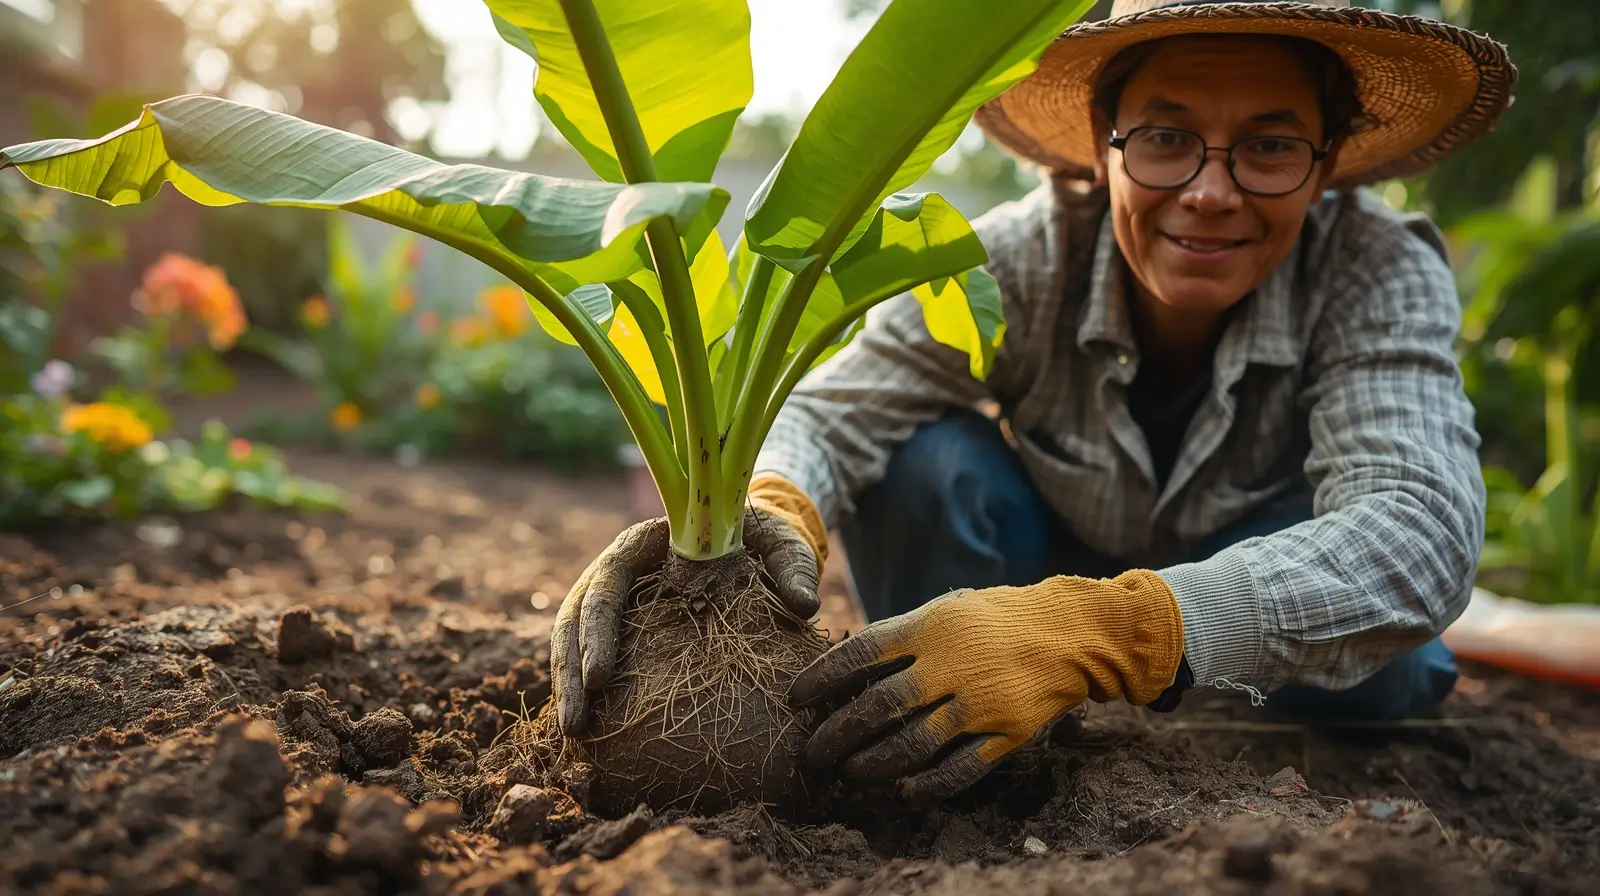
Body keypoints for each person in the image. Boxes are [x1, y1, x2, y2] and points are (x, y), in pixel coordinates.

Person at [554, 0, 1517, 804]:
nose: (1212, 192)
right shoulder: (1015, 256)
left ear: (1329, 160)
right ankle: (942, 726)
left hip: (1243, 580)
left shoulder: (1375, 267)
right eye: (1167, 139)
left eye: (1269, 147)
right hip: (1019, 568)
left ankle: (1111, 685)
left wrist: (1116, 633)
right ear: (1099, 151)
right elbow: (837, 410)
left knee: (1396, 671)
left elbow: (1419, 528)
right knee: (930, 464)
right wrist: (752, 514)